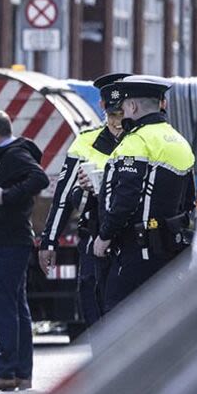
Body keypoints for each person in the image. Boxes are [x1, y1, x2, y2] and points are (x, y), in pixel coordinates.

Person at [94, 75, 196, 313]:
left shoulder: (137, 141)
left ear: (133, 106)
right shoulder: (179, 141)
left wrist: (105, 235)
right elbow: (188, 200)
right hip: (170, 248)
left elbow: (126, 198)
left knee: (118, 320)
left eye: (125, 105)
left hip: (135, 249)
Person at [39, 74, 126, 329]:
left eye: (121, 115)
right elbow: (63, 196)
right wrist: (49, 240)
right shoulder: (86, 141)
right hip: (93, 232)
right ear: (102, 108)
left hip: (127, 237)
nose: (117, 123)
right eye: (112, 116)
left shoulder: (139, 140)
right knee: (92, 301)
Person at [0, 110, 49, 391]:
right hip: (11, 239)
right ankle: (20, 372)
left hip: (8, 239)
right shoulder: (10, 154)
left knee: (6, 306)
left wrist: (4, 196)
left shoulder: (14, 154)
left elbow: (39, 179)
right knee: (17, 306)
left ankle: (5, 370)